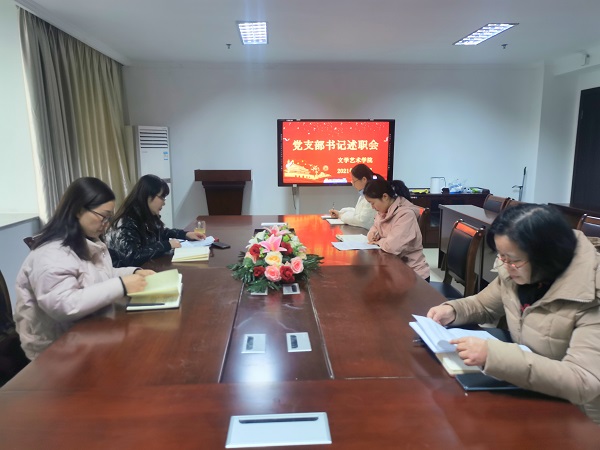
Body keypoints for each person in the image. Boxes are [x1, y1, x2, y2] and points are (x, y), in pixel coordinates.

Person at [427, 204, 600, 424]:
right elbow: (484, 305)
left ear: (547, 256)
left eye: (514, 260)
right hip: (531, 390)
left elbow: (584, 381)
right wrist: (453, 310)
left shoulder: (591, 294)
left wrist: (494, 356)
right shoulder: (516, 272)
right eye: (501, 257)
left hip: (579, 417)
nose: (506, 265)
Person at [14, 177, 154, 360]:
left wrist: (134, 273)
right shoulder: (51, 253)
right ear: (79, 210)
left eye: (109, 218)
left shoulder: (87, 241)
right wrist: (122, 285)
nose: (107, 224)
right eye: (103, 216)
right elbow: (63, 304)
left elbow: (104, 274)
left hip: (85, 333)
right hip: (54, 351)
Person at [106, 174, 205, 267]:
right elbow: (132, 257)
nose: (164, 203)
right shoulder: (126, 222)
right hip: (127, 275)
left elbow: (160, 232)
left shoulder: (146, 214)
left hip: (145, 269)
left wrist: (185, 234)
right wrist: (167, 245)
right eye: (162, 197)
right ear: (147, 196)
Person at [363, 178, 430, 280]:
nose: (372, 207)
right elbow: (375, 227)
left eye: (372, 203)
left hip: (412, 274)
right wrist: (372, 234)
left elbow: (392, 247)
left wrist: (378, 241)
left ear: (385, 197)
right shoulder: (383, 211)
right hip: (392, 269)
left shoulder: (405, 214)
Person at [328, 164, 377, 229]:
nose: (353, 184)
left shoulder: (372, 196)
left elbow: (361, 221)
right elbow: (357, 212)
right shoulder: (363, 195)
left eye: (354, 181)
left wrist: (341, 215)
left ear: (364, 179)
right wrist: (340, 212)